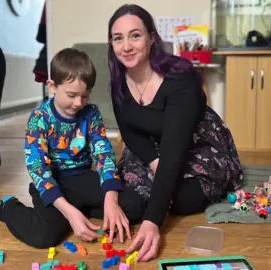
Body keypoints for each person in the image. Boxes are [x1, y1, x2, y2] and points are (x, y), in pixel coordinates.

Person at [0, 48, 145, 248]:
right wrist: (68, 210)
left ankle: (80, 209)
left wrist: (111, 199)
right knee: (43, 236)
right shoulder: (39, 119)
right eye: (71, 95)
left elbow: (104, 154)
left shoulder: (91, 113)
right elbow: (38, 168)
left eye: (85, 96)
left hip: (84, 179)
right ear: (52, 86)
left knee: (135, 206)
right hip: (52, 182)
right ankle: (7, 208)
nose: (78, 103)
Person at [108, 4, 244, 261]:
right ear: (112, 44)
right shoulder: (118, 81)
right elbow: (129, 131)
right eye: (118, 38)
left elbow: (174, 150)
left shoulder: (181, 79)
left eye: (135, 35)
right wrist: (153, 161)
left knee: (181, 200)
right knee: (132, 193)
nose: (126, 46)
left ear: (151, 38)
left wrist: (152, 223)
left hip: (196, 143)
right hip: (153, 145)